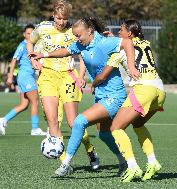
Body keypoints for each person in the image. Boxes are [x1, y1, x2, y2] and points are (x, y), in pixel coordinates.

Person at [30, 17, 136, 177]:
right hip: (101, 95)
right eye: (75, 36)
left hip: (114, 95)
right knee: (105, 135)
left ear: (90, 31)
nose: (77, 39)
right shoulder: (81, 44)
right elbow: (65, 51)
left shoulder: (103, 43)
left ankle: (66, 164)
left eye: (79, 35)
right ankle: (124, 163)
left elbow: (127, 43)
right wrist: (43, 54)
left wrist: (132, 66)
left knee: (79, 122)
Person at [26, 0, 98, 169]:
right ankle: (65, 162)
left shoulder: (73, 31)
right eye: (58, 18)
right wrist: (32, 58)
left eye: (64, 18)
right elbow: (30, 42)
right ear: (53, 15)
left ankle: (90, 150)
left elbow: (81, 54)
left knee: (74, 123)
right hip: (47, 77)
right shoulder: (42, 28)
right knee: (53, 121)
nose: (61, 22)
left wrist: (81, 75)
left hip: (68, 76)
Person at [97, 20, 166, 182]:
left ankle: (132, 166)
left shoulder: (120, 52)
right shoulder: (145, 42)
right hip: (160, 89)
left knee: (116, 127)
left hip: (144, 89)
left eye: (121, 30)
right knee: (138, 124)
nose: (119, 32)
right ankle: (152, 162)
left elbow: (103, 75)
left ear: (129, 33)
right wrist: (116, 39)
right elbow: (131, 45)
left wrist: (94, 83)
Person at [0, 24, 46, 136]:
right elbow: (14, 60)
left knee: (24, 105)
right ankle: (35, 129)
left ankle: (3, 120)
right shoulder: (22, 45)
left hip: (26, 77)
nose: (30, 35)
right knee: (34, 101)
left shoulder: (34, 45)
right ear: (24, 34)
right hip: (25, 76)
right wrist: (10, 76)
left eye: (32, 33)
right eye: (28, 33)